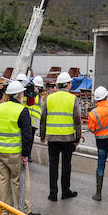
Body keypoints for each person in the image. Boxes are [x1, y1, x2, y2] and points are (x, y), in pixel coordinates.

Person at [0, 81, 37, 215]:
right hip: (15, 152)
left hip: (0, 150)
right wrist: (25, 154)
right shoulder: (22, 111)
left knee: (3, 180)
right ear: (18, 95)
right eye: (22, 93)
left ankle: (5, 211)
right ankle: (24, 211)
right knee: (20, 181)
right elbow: (27, 135)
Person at [40, 72, 81, 201]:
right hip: (67, 138)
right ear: (68, 84)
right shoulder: (73, 99)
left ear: (58, 85)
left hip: (52, 138)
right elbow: (77, 121)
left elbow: (43, 118)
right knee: (66, 165)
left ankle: (53, 194)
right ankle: (65, 191)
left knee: (53, 166)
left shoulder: (49, 98)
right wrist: (78, 138)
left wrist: (42, 135)